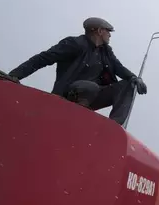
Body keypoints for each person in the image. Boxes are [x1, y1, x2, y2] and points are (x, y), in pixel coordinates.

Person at [8, 17, 147, 126]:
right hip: (69, 94)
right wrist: (15, 75)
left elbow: (119, 68)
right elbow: (43, 58)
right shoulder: (75, 44)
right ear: (99, 31)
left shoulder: (106, 52)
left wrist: (135, 78)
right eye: (108, 31)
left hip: (93, 95)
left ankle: (112, 127)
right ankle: (77, 115)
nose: (110, 35)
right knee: (90, 86)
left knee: (128, 84)